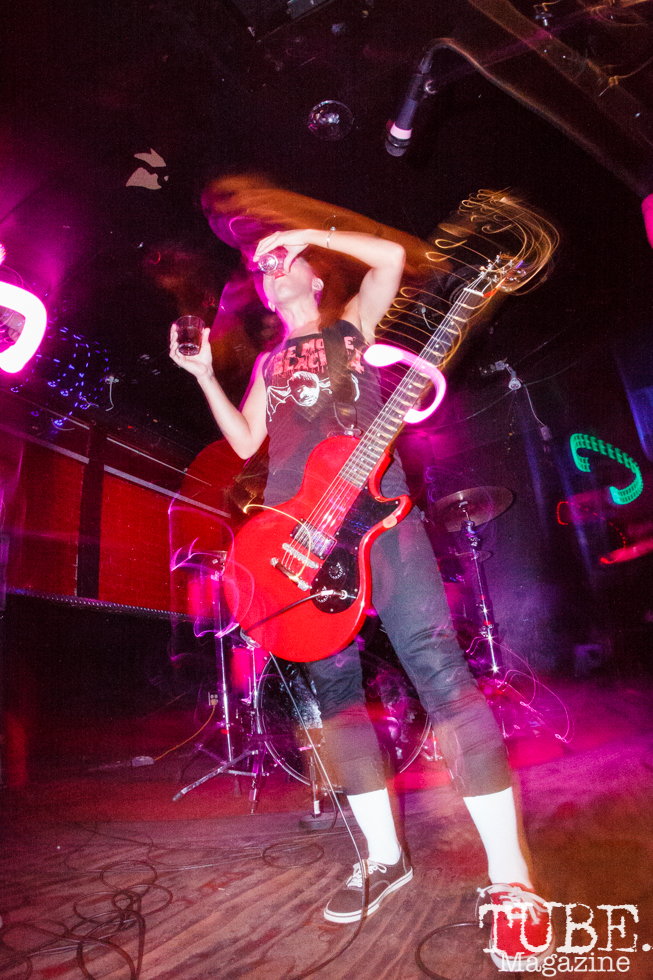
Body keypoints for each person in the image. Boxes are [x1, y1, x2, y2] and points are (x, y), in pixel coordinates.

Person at [170, 224, 555, 969]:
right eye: (263, 266)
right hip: (299, 540)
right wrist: (203, 376)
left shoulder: (351, 325)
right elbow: (246, 443)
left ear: (314, 278)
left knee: (440, 673)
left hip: (381, 519)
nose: (269, 267)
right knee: (336, 697)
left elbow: (391, 260)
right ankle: (383, 859)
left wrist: (301, 231)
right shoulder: (270, 363)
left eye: (284, 260)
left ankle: (512, 878)